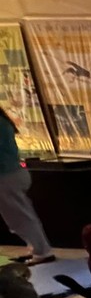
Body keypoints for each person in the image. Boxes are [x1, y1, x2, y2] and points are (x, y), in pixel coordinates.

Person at [0, 107, 55, 266]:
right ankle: (37, 248)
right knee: (21, 216)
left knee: (20, 218)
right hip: (14, 173)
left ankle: (42, 251)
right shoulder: (4, 122)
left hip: (7, 176)